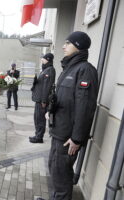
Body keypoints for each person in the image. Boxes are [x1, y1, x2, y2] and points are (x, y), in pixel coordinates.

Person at [46, 31, 98, 200]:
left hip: (68, 137)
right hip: (58, 131)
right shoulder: (69, 68)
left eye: (68, 43)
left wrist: (77, 138)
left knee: (61, 175)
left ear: (78, 46)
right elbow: (64, 99)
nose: (63, 46)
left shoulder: (85, 71)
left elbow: (86, 107)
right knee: (54, 169)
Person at [29, 53, 56, 143]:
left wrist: (44, 100)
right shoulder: (46, 69)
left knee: (40, 119)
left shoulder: (50, 70)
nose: (42, 60)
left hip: (42, 100)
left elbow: (47, 86)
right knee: (37, 118)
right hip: (39, 99)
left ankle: (39, 137)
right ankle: (37, 135)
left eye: (43, 59)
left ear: (48, 59)